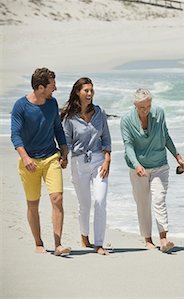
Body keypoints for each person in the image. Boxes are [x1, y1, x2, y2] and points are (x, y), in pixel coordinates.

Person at [10, 67, 71, 256]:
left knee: (57, 199)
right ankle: (38, 243)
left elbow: (57, 128)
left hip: (51, 157)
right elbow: (15, 135)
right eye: (53, 85)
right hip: (30, 162)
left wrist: (64, 150)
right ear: (41, 87)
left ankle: (58, 244)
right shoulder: (21, 106)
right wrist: (25, 157)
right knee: (33, 203)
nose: (56, 88)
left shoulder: (52, 104)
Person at [120, 88, 184, 253]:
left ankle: (163, 238)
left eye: (148, 106)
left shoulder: (159, 114)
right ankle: (148, 239)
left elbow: (166, 136)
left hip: (159, 165)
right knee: (142, 203)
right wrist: (136, 164)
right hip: (138, 167)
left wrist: (177, 156)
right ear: (135, 105)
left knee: (159, 199)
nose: (146, 110)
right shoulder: (127, 120)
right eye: (142, 107)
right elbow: (128, 146)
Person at [61, 77, 111, 255]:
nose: (90, 94)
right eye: (86, 90)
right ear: (77, 92)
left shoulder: (99, 112)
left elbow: (106, 138)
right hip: (78, 162)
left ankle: (99, 244)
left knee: (100, 200)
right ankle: (84, 236)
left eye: (91, 90)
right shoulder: (70, 117)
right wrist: (64, 157)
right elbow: (66, 141)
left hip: (99, 160)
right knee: (85, 204)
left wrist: (107, 160)